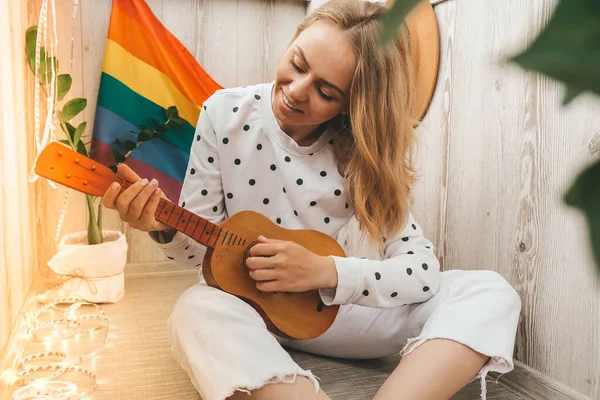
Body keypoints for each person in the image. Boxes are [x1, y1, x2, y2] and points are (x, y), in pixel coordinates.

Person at [101, 1, 521, 399]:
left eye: (326, 91)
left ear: (352, 104)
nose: (297, 91)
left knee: (490, 291)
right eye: (297, 63)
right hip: (241, 312)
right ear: (294, 39)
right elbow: (197, 254)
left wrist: (324, 272)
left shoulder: (359, 151)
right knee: (195, 311)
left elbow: (422, 271)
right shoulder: (224, 112)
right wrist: (163, 227)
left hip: (327, 314)